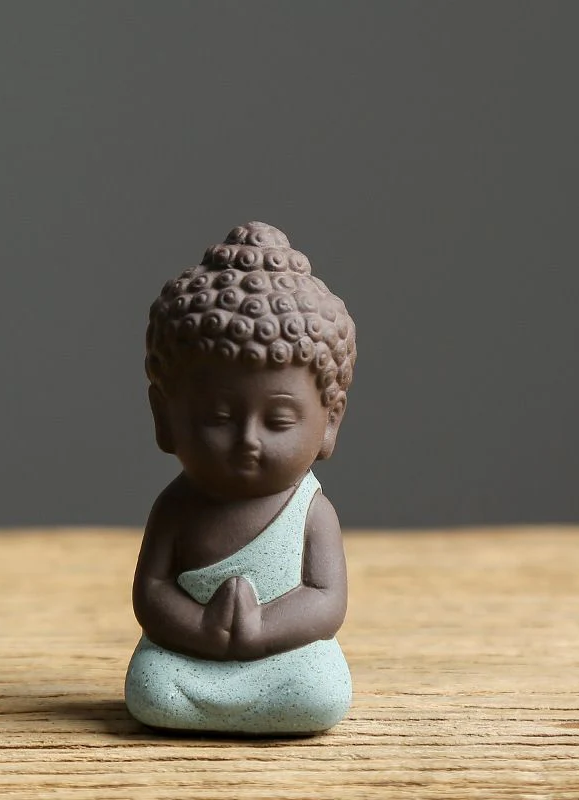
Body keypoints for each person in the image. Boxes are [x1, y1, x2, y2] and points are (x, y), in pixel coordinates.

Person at [125, 221, 357, 734]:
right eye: (219, 418)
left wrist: (261, 629)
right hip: (191, 657)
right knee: (153, 685)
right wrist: (202, 628)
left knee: (321, 690)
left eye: (278, 420)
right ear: (165, 417)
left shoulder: (311, 513)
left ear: (330, 422)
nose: (248, 440)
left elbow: (325, 600)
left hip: (283, 658)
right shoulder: (177, 507)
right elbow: (152, 592)